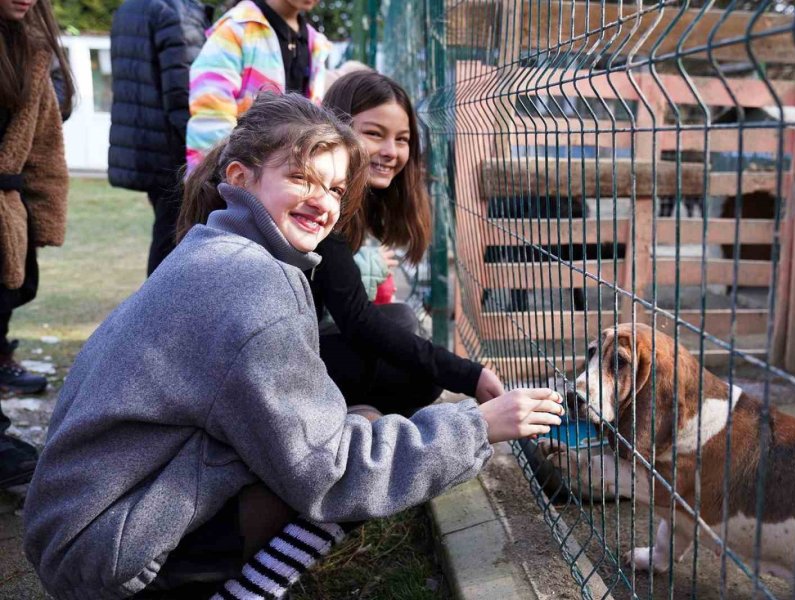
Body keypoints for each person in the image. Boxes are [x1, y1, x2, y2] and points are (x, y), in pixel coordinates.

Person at [23, 92, 564, 599]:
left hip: (81, 529)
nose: (323, 202)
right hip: (113, 556)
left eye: (335, 189)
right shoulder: (255, 283)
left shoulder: (212, 248)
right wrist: (477, 426)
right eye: (302, 178)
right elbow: (333, 473)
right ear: (241, 177)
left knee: (350, 427)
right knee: (350, 462)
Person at [315, 71, 504, 416]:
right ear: (336, 130)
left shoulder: (359, 203)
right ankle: (342, 417)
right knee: (421, 374)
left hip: (310, 342)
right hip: (278, 360)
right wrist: (467, 374)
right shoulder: (321, 203)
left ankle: (355, 409)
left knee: (402, 323)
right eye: (374, 134)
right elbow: (357, 319)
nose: (390, 151)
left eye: (402, 139)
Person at [0, 0, 73, 488]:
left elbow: (44, 140)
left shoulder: (31, 46)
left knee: (8, 297)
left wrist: (43, 217)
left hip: (9, 209)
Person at [107, 0, 214, 276]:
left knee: (167, 233)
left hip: (146, 145)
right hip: (174, 150)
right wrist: (209, 157)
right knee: (176, 237)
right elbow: (185, 94)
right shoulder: (176, 11)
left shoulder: (130, 8)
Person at [185, 0, 331, 171]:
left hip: (291, 174)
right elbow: (210, 112)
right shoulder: (236, 28)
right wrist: (218, 175)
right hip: (235, 173)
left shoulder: (315, 43)